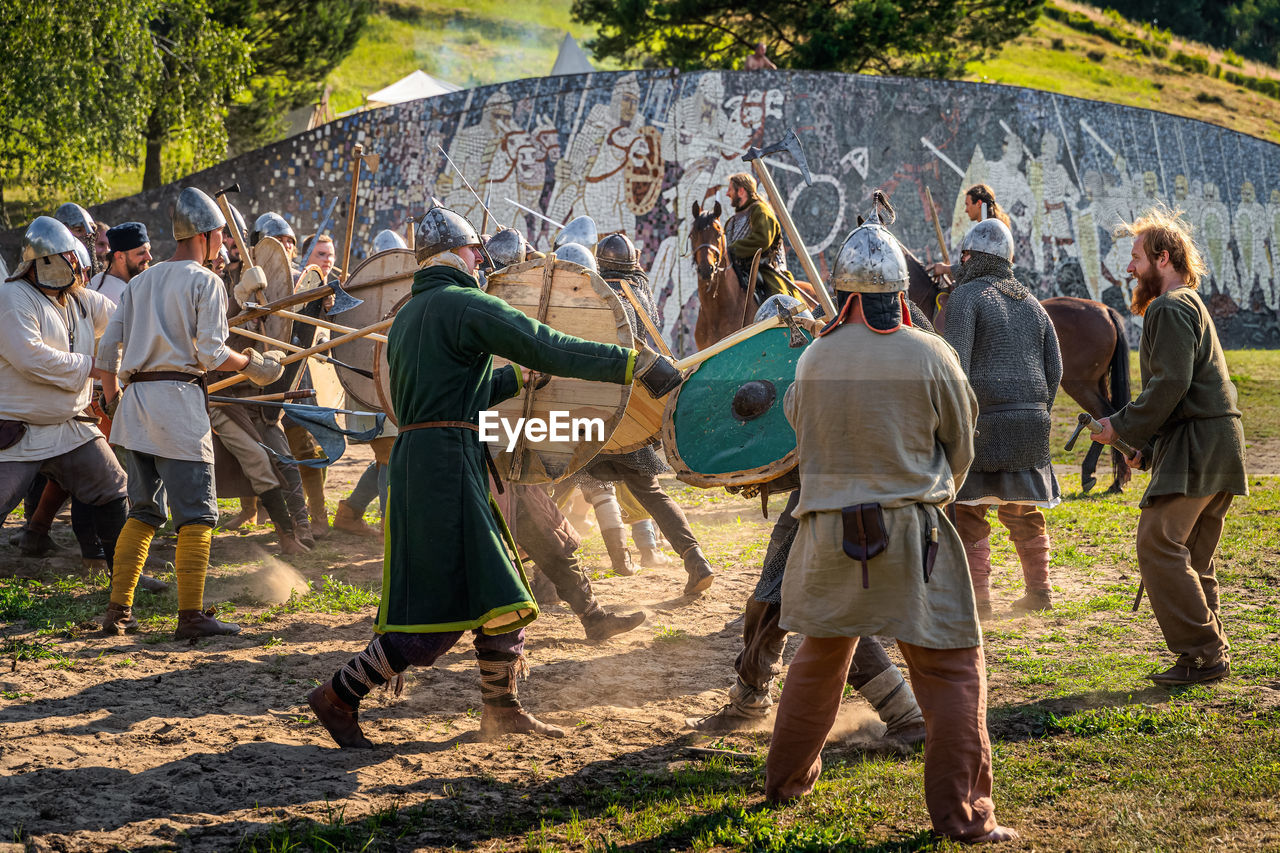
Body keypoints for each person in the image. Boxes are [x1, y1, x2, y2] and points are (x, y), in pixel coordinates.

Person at [307, 204, 680, 748]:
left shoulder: (413, 312)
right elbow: (548, 341)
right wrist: (634, 363)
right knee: (434, 614)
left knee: (500, 590)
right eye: (472, 250)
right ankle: (338, 695)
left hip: (432, 457)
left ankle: (502, 711)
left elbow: (458, 395)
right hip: (444, 469)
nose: (479, 257)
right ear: (457, 254)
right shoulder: (463, 303)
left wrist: (512, 380)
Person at [763, 216, 1017, 844]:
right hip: (912, 533)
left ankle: (783, 785)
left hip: (826, 536)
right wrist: (928, 491)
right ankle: (963, 818)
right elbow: (961, 443)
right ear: (901, 293)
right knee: (954, 671)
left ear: (845, 293)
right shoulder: (932, 353)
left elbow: (802, 431)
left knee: (818, 664)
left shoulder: (815, 357)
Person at [691, 293, 938, 740]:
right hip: (832, 493)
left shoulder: (835, 358)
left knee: (824, 611)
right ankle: (750, 697)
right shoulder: (839, 351)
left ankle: (906, 713)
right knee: (784, 602)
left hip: (841, 499)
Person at [94, 187, 286, 638]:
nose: (222, 240)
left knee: (142, 513)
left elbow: (106, 350)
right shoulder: (206, 281)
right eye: (220, 232)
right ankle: (191, 617)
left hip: (137, 408)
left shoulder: (140, 282)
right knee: (197, 515)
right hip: (178, 406)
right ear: (204, 234)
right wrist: (253, 364)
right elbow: (212, 351)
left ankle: (118, 613)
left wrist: (112, 396)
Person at [1094, 207, 1247, 686]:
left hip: (1202, 444)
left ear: (1163, 257)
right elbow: (1187, 390)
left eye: (1136, 257)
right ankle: (1207, 653)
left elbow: (1171, 385)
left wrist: (1120, 429)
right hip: (1216, 442)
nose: (1129, 268)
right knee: (1193, 556)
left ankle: (1203, 653)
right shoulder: (1191, 304)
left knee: (1158, 543)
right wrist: (1150, 448)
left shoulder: (1170, 306)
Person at [570, 236, 715, 596]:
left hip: (597, 411)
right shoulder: (641, 292)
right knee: (650, 492)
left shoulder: (600, 293)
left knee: (554, 478)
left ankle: (531, 566)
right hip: (632, 414)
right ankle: (695, 559)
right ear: (633, 261)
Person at [942, 219, 1062, 618]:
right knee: (1024, 509)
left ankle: (978, 602)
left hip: (985, 422)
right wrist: (1038, 413)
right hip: (1031, 423)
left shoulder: (965, 296)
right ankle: (1039, 593)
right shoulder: (1031, 302)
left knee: (969, 510)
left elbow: (955, 364)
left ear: (970, 257)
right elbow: (1055, 369)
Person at [0, 216, 129, 583]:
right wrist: (97, 366)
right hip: (17, 429)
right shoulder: (12, 298)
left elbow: (124, 323)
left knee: (111, 486)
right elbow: (32, 358)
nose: (77, 270)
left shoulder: (80, 300)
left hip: (69, 426)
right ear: (48, 261)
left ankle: (122, 576)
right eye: (69, 261)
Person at [724, 172, 804, 306]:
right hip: (738, 270)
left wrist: (733, 250)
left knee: (777, 306)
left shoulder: (760, 211)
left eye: (730, 189)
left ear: (741, 191)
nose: (727, 193)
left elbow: (762, 240)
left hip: (765, 270)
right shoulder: (731, 222)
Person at [927, 184, 1010, 279]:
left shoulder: (988, 231)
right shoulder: (996, 227)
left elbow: (977, 268)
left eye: (967, 204)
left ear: (979, 204)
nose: (966, 210)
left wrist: (945, 269)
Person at [89, 222, 152, 306]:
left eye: (149, 250)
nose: (149, 257)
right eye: (141, 253)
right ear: (120, 256)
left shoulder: (97, 280)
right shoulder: (118, 295)